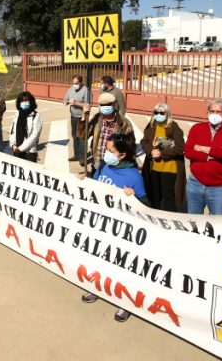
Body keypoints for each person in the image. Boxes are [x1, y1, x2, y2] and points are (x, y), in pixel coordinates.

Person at [79, 133, 148, 323]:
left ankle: (124, 303)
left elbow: (146, 206)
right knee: (99, 259)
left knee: (121, 267)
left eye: (110, 151)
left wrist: (133, 197)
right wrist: (84, 179)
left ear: (122, 155)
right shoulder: (103, 166)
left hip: (122, 231)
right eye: (106, 150)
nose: (106, 154)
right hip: (101, 225)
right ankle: (96, 288)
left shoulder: (134, 176)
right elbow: (95, 185)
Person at [184, 99, 222, 215]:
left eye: (219, 112)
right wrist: (209, 156)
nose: (215, 114)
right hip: (195, 184)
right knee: (193, 221)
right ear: (207, 113)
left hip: (219, 188)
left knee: (218, 225)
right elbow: (188, 152)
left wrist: (201, 148)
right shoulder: (197, 128)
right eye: (212, 111)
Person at [140, 103, 186, 212]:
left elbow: (180, 147)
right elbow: (144, 141)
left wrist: (162, 154)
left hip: (169, 168)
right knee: (154, 196)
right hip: (154, 167)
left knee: (168, 197)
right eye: (156, 112)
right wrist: (151, 151)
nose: (158, 115)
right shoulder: (151, 125)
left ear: (167, 114)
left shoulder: (174, 126)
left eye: (162, 113)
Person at [87, 93, 134, 173]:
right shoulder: (96, 119)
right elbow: (84, 135)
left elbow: (130, 146)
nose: (105, 107)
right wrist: (84, 116)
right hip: (97, 161)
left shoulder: (124, 123)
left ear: (114, 104)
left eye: (108, 104)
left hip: (114, 163)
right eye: (102, 105)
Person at [9, 91, 42, 162]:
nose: (24, 103)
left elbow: (35, 135)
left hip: (29, 152)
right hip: (17, 150)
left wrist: (21, 148)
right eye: (22, 101)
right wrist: (13, 145)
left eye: (26, 101)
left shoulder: (36, 116)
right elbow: (12, 131)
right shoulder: (17, 114)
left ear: (31, 102)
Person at [64, 74, 90, 164]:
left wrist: (76, 103)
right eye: (73, 83)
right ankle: (76, 155)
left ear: (81, 82)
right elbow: (65, 99)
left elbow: (87, 105)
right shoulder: (71, 89)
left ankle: (82, 157)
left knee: (82, 137)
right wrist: (66, 102)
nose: (75, 85)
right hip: (73, 116)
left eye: (77, 83)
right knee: (75, 136)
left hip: (82, 117)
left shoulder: (85, 90)